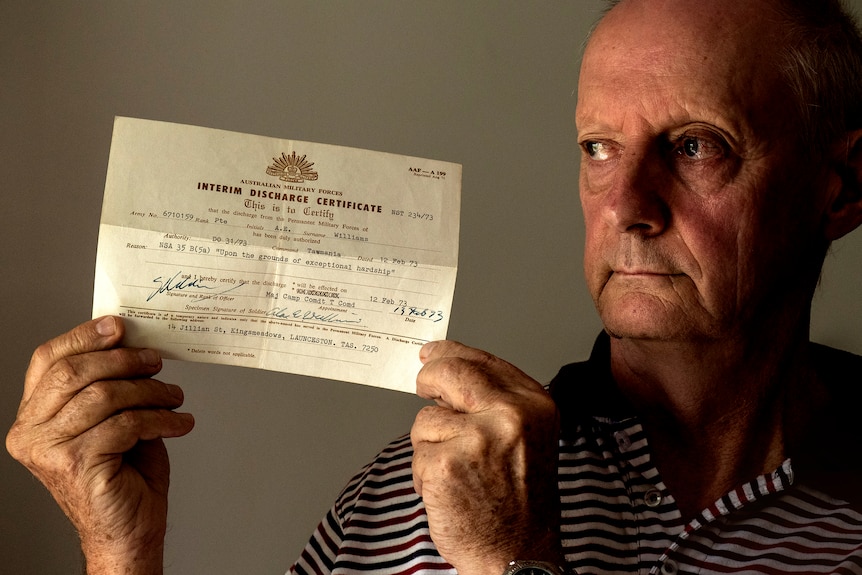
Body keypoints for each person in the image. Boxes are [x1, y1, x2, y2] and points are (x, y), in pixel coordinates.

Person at [7, 0, 862, 573]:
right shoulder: (405, 500)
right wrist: (121, 558)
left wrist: (511, 561)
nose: (628, 206)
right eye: (598, 148)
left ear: (844, 185)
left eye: (695, 145)